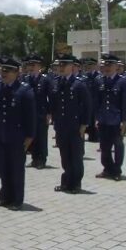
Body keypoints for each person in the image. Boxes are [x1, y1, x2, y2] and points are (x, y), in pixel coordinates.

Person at [0, 58, 35, 210]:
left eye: (7, 71)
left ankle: (16, 200)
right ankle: (4, 197)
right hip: (1, 134)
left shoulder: (25, 90)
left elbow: (30, 116)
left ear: (16, 72)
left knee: (16, 169)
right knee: (4, 167)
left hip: (17, 136)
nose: (4, 73)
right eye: (2, 70)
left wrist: (30, 136)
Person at [50, 54, 91, 194]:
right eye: (59, 65)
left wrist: (84, 125)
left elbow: (87, 106)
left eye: (64, 65)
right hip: (61, 125)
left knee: (76, 156)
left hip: (75, 126)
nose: (61, 68)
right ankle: (66, 181)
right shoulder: (56, 82)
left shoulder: (79, 84)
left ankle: (75, 183)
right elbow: (54, 105)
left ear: (72, 67)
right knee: (64, 155)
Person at [93, 54, 126, 181]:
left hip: (116, 120)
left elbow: (125, 103)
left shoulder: (122, 81)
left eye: (110, 65)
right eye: (105, 65)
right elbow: (97, 102)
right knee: (104, 147)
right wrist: (96, 117)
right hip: (103, 119)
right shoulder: (99, 80)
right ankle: (107, 169)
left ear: (116, 66)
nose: (107, 68)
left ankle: (116, 170)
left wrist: (124, 121)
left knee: (118, 145)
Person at [22, 54, 53, 169]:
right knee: (31, 136)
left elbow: (50, 97)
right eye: (29, 65)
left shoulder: (45, 80)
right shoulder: (25, 79)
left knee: (41, 137)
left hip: (41, 113)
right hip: (28, 114)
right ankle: (34, 158)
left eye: (33, 65)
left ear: (39, 66)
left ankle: (42, 159)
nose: (31, 67)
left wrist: (49, 113)